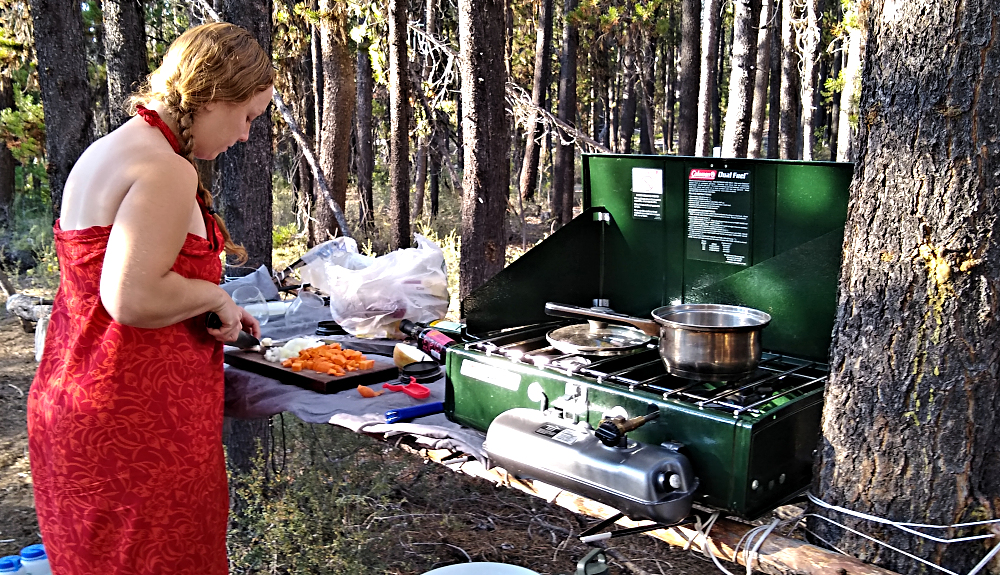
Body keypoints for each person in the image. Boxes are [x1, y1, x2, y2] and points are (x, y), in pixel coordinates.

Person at [27, 22, 274, 574]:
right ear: (213, 95)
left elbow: (111, 284)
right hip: (134, 428)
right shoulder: (165, 168)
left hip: (74, 399)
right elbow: (131, 296)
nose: (245, 136)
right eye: (249, 116)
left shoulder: (111, 149)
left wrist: (208, 303)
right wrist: (215, 293)